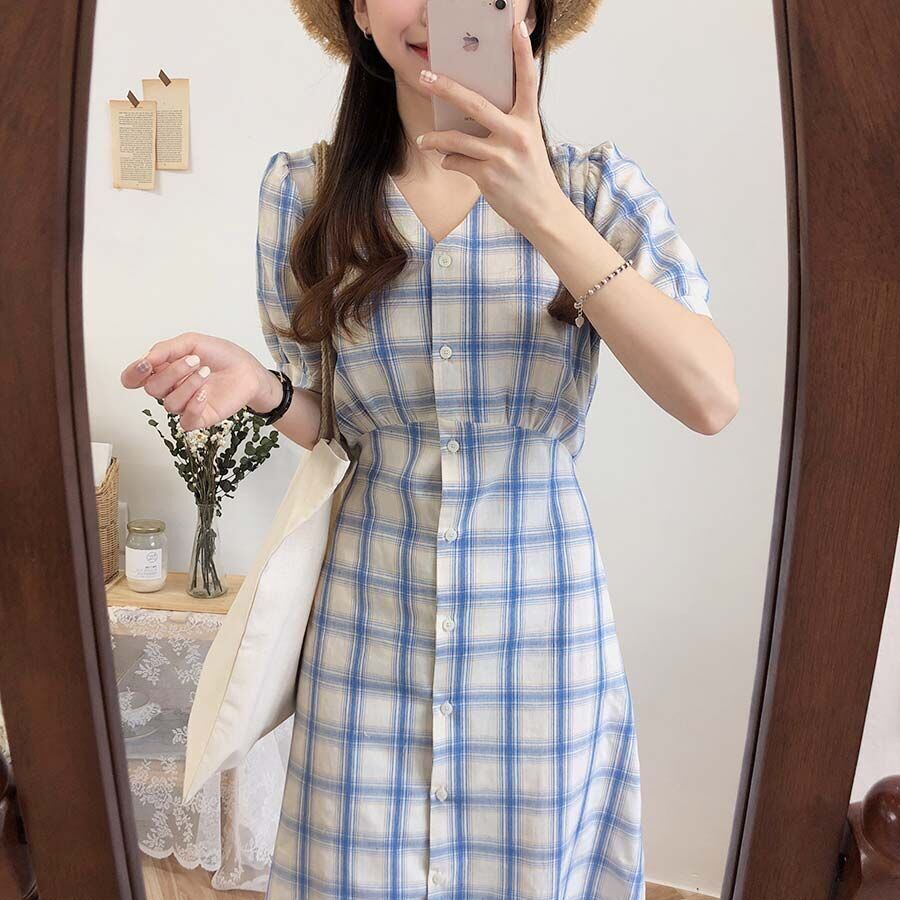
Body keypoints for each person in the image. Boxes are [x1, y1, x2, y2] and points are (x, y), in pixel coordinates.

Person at [121, 1, 738, 896]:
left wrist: (542, 208)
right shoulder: (303, 195)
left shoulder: (593, 187)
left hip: (539, 647)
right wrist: (266, 391)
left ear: (531, 9)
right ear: (358, 8)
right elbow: (349, 435)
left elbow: (710, 396)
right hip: (365, 638)